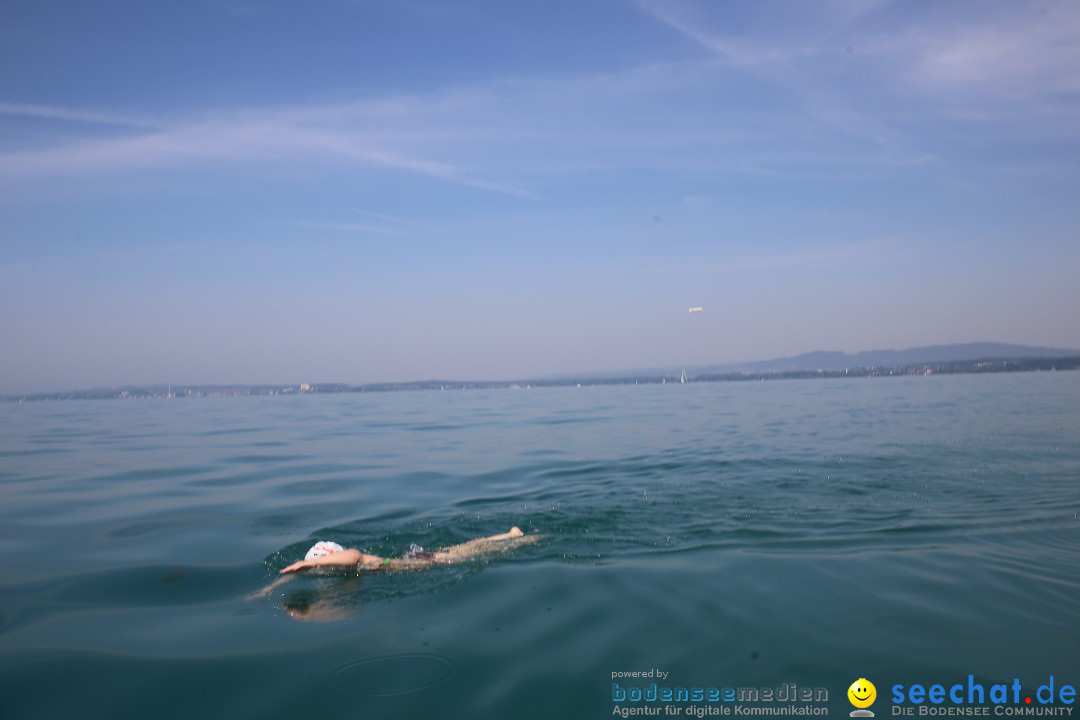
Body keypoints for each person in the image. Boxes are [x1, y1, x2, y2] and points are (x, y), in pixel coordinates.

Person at [279, 526, 536, 574]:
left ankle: (524, 540)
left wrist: (309, 564)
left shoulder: (353, 560)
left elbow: (353, 555)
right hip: (410, 558)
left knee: (473, 554)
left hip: (417, 562)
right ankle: (510, 535)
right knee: (466, 548)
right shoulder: (344, 563)